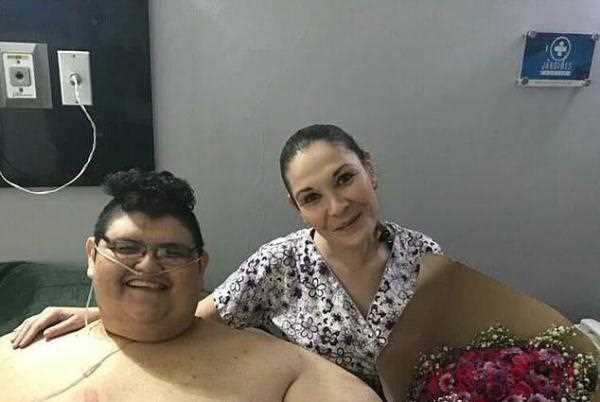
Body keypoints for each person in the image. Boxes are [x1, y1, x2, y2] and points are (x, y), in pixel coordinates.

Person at [10, 124, 442, 391]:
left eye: (344, 179)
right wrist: (99, 314)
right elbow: (188, 316)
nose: (337, 206)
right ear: (297, 208)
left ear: (369, 168)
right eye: (311, 197)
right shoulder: (279, 265)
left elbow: (454, 351)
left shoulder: (423, 256)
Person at [0, 169, 381, 402]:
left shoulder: (283, 370)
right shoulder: (16, 353)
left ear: (200, 268)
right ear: (91, 255)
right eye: (127, 247)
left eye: (172, 252)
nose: (148, 264)